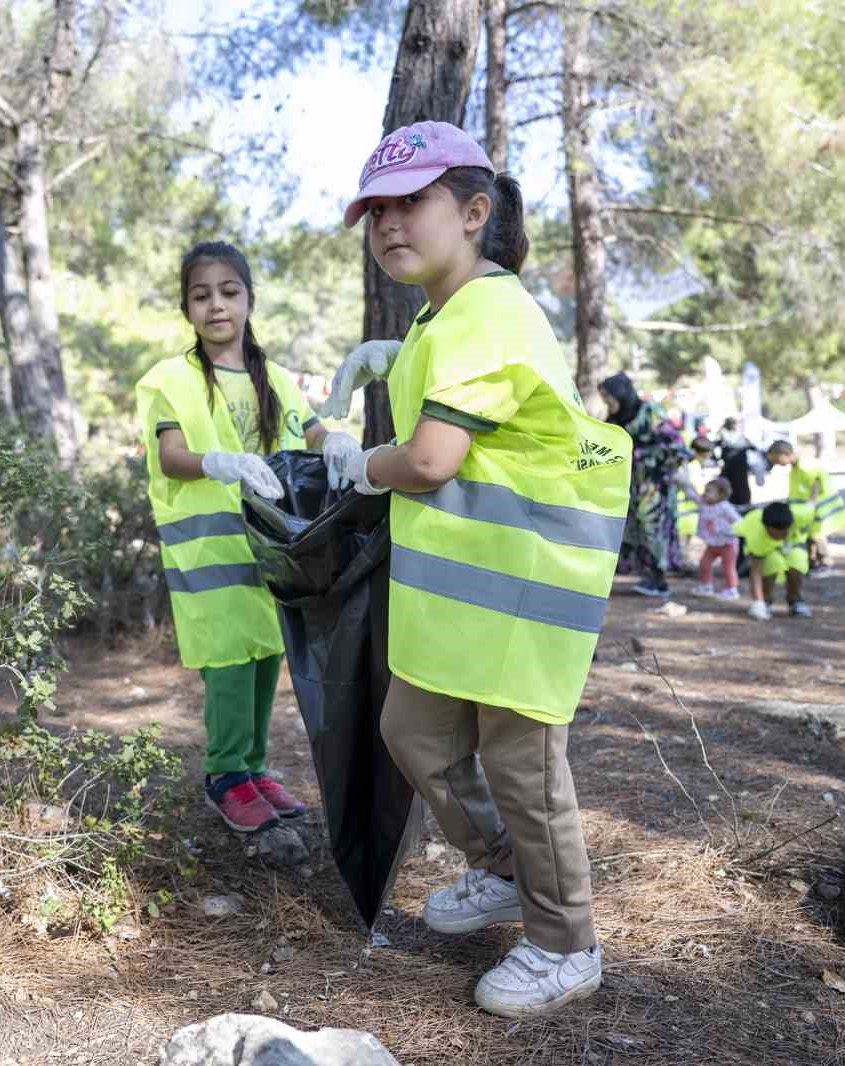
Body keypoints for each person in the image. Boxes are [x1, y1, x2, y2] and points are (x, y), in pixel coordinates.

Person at [322, 120, 632, 1017]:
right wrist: (396, 355)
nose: (387, 224)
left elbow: (427, 460)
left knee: (525, 765)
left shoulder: (488, 311)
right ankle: (501, 868)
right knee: (413, 728)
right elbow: (446, 385)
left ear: (473, 211)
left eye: (410, 202)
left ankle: (566, 941)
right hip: (474, 589)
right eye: (375, 209)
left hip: (530, 578)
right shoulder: (446, 314)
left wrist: (360, 460)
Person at [136, 241, 361, 834]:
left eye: (229, 292)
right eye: (201, 295)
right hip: (211, 553)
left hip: (270, 549)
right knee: (230, 664)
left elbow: (309, 432)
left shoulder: (278, 379)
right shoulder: (172, 380)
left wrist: (335, 438)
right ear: (186, 308)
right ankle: (225, 774)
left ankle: (254, 768)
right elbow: (172, 454)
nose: (217, 306)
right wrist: (220, 463)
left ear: (249, 300)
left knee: (264, 657)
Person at [600, 372, 695, 597]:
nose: (605, 401)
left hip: (654, 484)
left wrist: (642, 454)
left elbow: (676, 445)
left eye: (607, 395)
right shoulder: (616, 417)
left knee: (652, 526)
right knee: (635, 528)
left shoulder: (650, 412)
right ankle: (647, 575)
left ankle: (658, 577)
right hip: (631, 485)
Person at [765, 440, 845, 572]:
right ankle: (813, 563)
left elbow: (815, 485)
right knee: (810, 535)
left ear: (785, 454)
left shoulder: (805, 466)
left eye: (776, 460)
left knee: (816, 535)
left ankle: (825, 563)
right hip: (807, 509)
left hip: (817, 508)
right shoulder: (796, 466)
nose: (776, 464)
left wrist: (811, 504)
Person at [733, 500, 816, 620]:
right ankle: (765, 602)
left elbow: (812, 504)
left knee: (797, 563)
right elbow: (756, 571)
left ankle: (796, 601)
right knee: (771, 564)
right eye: (774, 535)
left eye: (784, 533)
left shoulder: (802, 514)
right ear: (766, 528)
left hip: (793, 544)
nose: (779, 537)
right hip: (766, 547)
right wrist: (758, 602)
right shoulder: (756, 533)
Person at [690, 478, 743, 600]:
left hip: (728, 544)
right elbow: (692, 495)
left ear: (721, 494)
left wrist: (731, 531)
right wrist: (684, 482)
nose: (705, 493)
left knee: (728, 567)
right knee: (704, 563)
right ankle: (706, 586)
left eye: (709, 491)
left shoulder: (725, 507)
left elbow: (738, 521)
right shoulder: (704, 503)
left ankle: (732, 589)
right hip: (713, 544)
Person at [716, 417, 766, 508]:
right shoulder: (723, 435)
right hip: (730, 469)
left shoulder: (740, 437)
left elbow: (753, 448)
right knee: (730, 489)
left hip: (739, 469)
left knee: (740, 489)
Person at [676, 436, 713, 552]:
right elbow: (691, 487)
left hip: (691, 508)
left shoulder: (692, 465)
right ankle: (681, 559)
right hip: (685, 508)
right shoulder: (691, 466)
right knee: (682, 538)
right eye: (706, 455)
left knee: (686, 538)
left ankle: (682, 557)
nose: (707, 458)